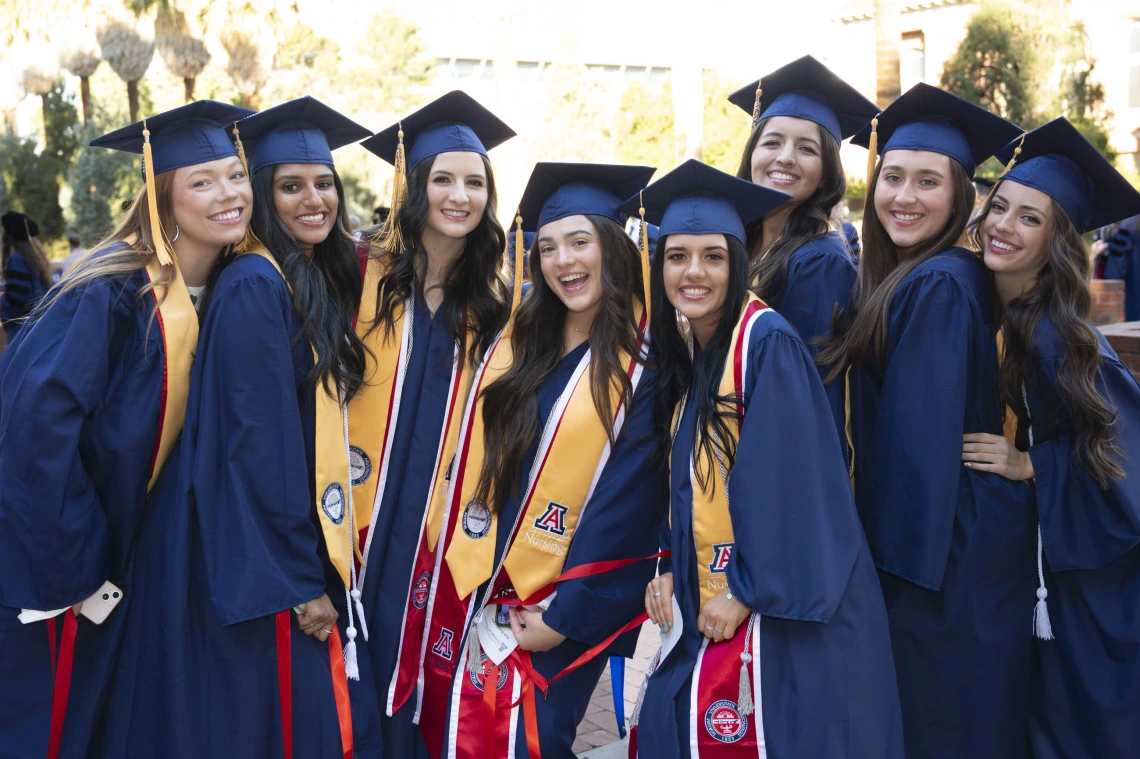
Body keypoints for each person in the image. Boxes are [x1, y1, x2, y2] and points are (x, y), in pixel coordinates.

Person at [107, 96, 376, 759]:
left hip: (252, 544)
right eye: (290, 185)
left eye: (323, 184)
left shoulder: (294, 275)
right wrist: (299, 581)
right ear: (262, 192)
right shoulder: (258, 283)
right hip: (245, 555)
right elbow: (257, 449)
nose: (313, 199)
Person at [0, 100, 253, 759]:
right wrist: (82, 574)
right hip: (65, 584)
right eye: (202, 180)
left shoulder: (229, 290)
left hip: (142, 577)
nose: (228, 193)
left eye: (236, 174)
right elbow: (36, 435)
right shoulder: (109, 293)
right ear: (161, 192)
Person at [629, 159, 902, 758]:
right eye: (677, 256)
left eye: (713, 256)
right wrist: (669, 561)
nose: (693, 272)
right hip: (735, 591)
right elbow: (693, 480)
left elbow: (795, 484)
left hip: (788, 606)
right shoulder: (699, 350)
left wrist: (748, 589)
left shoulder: (766, 341)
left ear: (738, 262)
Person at [416, 162, 667, 759]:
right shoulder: (522, 338)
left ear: (614, 248)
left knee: (532, 740)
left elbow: (629, 505)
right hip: (477, 580)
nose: (563, 261)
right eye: (548, 248)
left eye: (580, 243)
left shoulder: (649, 363)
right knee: (450, 731)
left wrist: (565, 613)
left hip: (563, 602)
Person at [819, 83, 1031, 758]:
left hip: (937, 561)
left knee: (940, 726)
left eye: (928, 181)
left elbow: (914, 454)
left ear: (962, 194)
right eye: (893, 178)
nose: (904, 197)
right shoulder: (919, 274)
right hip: (952, 548)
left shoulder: (938, 283)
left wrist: (874, 585)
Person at [963, 117, 1140, 759]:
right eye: (999, 206)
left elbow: (1127, 456)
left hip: (1096, 585)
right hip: (1053, 572)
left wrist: (1031, 463)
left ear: (1057, 241)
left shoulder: (1059, 340)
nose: (1003, 225)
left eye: (1029, 219)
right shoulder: (1001, 311)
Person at [353, 91, 514, 759]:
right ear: (413, 186)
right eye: (442, 178)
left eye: (474, 182)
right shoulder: (358, 274)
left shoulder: (494, 305)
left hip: (431, 534)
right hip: (353, 526)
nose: (459, 195)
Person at [726, 55, 878, 452]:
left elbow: (804, 397)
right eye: (772, 142)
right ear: (752, 154)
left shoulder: (821, 262)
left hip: (766, 456)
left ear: (827, 169)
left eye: (806, 148)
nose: (785, 157)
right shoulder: (735, 243)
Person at [0, 211, 54, 340]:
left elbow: (18, 300)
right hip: (40, 325)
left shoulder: (17, 260)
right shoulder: (35, 258)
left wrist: (2, 302)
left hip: (24, 330)